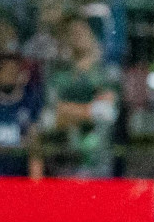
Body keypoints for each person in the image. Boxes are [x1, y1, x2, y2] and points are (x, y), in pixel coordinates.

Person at [42, 13, 119, 177]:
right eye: (72, 32)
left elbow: (106, 113)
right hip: (61, 165)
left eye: (82, 31)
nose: (77, 36)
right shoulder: (57, 74)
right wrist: (89, 111)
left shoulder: (106, 73)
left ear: (93, 34)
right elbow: (49, 117)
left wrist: (66, 112)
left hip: (99, 165)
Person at [0, 42, 43, 178]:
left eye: (13, 70)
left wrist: (35, 186)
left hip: (19, 178)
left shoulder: (30, 103)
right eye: (4, 70)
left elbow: (35, 146)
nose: (9, 74)